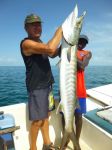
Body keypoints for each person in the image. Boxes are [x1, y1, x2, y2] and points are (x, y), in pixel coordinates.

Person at [20, 14, 62, 150]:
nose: (37, 27)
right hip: (37, 87)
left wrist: (66, 45)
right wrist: (61, 30)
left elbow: (53, 53)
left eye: (39, 24)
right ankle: (33, 148)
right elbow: (50, 48)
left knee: (46, 116)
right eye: (34, 25)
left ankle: (47, 144)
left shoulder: (40, 42)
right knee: (37, 121)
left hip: (47, 84)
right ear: (26, 28)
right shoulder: (26, 43)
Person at [61, 34, 92, 149]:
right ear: (76, 40)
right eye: (80, 40)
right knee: (64, 116)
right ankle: (66, 140)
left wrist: (71, 54)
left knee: (78, 117)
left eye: (84, 42)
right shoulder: (66, 51)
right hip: (65, 91)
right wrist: (67, 51)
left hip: (80, 91)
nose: (81, 43)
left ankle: (76, 142)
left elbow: (83, 66)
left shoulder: (87, 53)